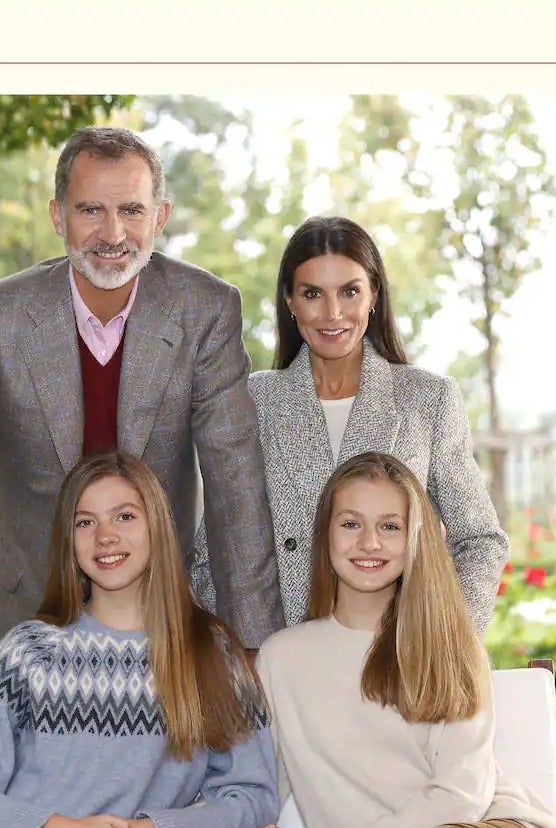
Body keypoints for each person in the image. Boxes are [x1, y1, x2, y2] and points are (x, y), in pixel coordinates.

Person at [0, 126, 283, 741]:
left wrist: (256, 643)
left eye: (131, 210)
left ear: (160, 216)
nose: (112, 234)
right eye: (90, 210)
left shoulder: (206, 310)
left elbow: (236, 478)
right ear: (58, 216)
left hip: (165, 624)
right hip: (31, 623)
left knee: (170, 809)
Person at [0, 452, 278, 828]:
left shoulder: (211, 654)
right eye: (85, 522)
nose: (105, 537)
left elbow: (252, 798)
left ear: (158, 528)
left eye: (125, 516)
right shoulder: (27, 651)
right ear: (68, 542)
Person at [243, 452, 556, 828]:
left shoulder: (449, 645)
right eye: (351, 524)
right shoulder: (282, 658)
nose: (369, 542)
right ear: (326, 535)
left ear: (414, 538)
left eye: (389, 526)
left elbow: (459, 800)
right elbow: (258, 786)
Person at [193, 215, 507, 632]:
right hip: (281, 663)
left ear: (373, 294)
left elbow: (480, 541)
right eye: (312, 294)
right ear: (289, 301)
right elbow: (210, 549)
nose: (332, 313)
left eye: (350, 291)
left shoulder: (427, 399)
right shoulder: (252, 401)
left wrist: (441, 645)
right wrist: (246, 652)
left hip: (398, 662)